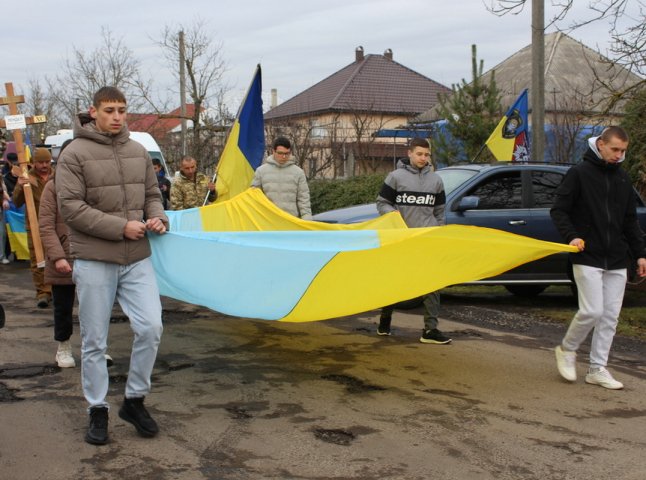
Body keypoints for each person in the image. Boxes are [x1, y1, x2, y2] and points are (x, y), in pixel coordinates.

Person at [56, 86, 168, 445]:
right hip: (94, 259)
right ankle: (97, 409)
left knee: (151, 327)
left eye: (122, 110)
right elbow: (70, 207)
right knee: (94, 341)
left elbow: (152, 195)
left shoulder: (137, 150)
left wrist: (157, 217)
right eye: (109, 110)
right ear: (94, 111)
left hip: (136, 258)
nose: (117, 116)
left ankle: (134, 400)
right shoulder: (74, 153)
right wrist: (121, 227)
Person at [551, 126, 646, 390]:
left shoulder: (623, 179)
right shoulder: (578, 174)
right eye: (615, 149)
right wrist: (572, 236)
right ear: (601, 144)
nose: (619, 155)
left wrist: (640, 254)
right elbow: (559, 210)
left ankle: (597, 368)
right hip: (586, 253)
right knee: (592, 310)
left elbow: (630, 221)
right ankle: (567, 349)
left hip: (617, 257)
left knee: (610, 316)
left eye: (623, 151)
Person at [39, 139, 114, 369]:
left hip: (92, 255)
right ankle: (63, 346)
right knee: (63, 306)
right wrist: (58, 256)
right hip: (63, 256)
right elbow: (46, 225)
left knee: (96, 306)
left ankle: (96, 348)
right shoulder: (52, 187)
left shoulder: (94, 184)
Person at [375, 137, 451, 344]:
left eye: (427, 155)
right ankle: (385, 319)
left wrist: (438, 232)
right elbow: (382, 204)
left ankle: (430, 330)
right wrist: (396, 220)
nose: (423, 158)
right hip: (400, 239)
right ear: (410, 153)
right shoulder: (395, 177)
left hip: (426, 240)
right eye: (419, 154)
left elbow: (440, 211)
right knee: (394, 282)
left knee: (432, 283)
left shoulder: (436, 180)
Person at [13, 147, 53, 307]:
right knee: (38, 261)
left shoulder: (58, 175)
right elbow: (16, 202)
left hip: (56, 224)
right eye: (40, 162)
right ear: (33, 163)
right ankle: (43, 293)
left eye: (47, 162)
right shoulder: (27, 178)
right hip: (35, 225)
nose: (44, 165)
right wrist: (19, 186)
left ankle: (59, 290)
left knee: (59, 259)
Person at [251, 137, 312, 220]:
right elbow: (254, 197)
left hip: (290, 221)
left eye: (287, 153)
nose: (283, 156)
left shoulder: (298, 172)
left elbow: (303, 198)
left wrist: (307, 219)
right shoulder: (261, 171)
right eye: (280, 153)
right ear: (273, 151)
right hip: (267, 221)